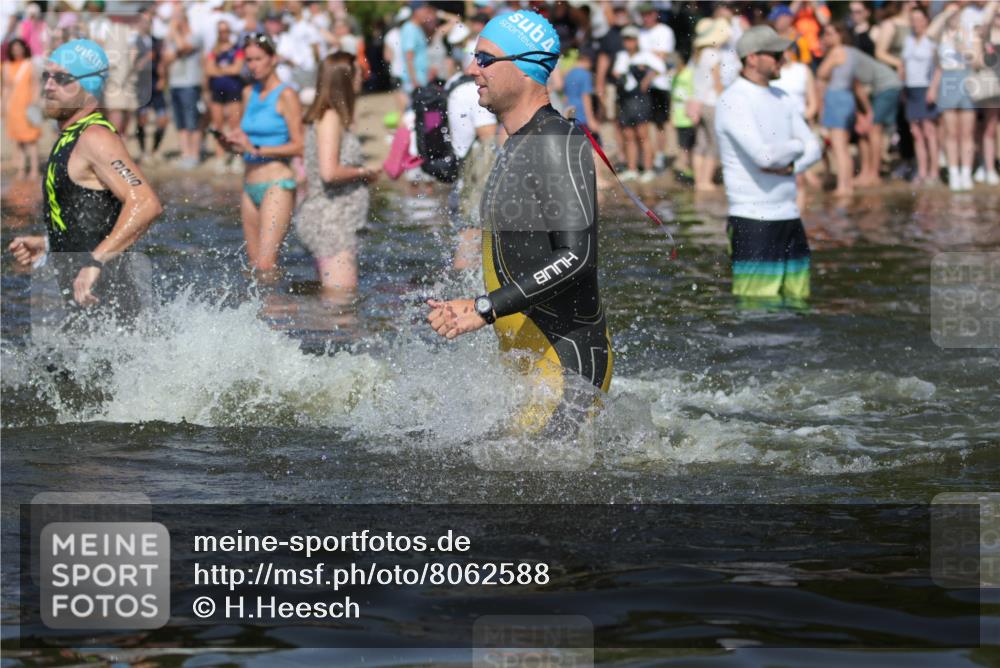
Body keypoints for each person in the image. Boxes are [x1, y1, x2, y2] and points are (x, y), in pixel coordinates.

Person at [426, 10, 612, 433]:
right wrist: (474, 305)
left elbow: (577, 257)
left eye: (486, 59)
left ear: (525, 66)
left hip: (567, 369)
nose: (473, 69)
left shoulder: (552, 140)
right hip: (532, 366)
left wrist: (486, 308)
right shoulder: (517, 144)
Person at [8, 39, 162, 316]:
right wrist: (48, 244)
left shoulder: (96, 138)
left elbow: (146, 203)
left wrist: (96, 261)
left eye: (63, 78)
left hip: (112, 311)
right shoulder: (70, 136)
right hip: (90, 312)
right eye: (47, 76)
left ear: (90, 86)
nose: (48, 86)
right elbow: (89, 220)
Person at [716, 26, 821, 306]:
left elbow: (815, 147)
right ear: (752, 58)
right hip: (753, 219)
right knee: (757, 315)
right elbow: (764, 157)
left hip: (790, 216)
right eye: (775, 54)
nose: (782, 59)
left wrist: (791, 166)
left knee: (799, 307)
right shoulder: (732, 100)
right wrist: (796, 148)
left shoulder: (783, 97)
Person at [221, 32, 304, 277]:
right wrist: (233, 142)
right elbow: (248, 136)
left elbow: (299, 145)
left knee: (267, 265)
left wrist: (257, 150)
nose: (252, 65)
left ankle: (277, 313)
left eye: (258, 59)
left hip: (276, 183)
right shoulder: (249, 93)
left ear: (273, 59)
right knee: (253, 265)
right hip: (249, 185)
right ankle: (261, 315)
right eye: (248, 60)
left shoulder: (287, 94)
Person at [295, 53, 378, 295]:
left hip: (334, 220)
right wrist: (364, 171)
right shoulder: (330, 117)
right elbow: (329, 173)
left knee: (330, 301)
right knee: (341, 305)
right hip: (330, 223)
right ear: (345, 78)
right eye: (359, 72)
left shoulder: (334, 117)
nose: (362, 77)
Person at [444, 35, 500, 271]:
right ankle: (464, 292)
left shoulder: (454, 83)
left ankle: (461, 287)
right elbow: (488, 135)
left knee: (468, 229)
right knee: (473, 231)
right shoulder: (473, 90)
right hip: (476, 168)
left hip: (461, 164)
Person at [928, 2, 979, 191]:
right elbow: (929, 34)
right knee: (951, 132)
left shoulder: (970, 34)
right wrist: (943, 15)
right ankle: (954, 172)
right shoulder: (941, 36)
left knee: (966, 132)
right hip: (947, 81)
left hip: (966, 79)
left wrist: (962, 45)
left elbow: (976, 59)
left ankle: (966, 173)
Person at [817, 22, 867, 197]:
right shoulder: (852, 52)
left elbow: (821, 72)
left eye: (830, 33)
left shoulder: (836, 52)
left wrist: (824, 52)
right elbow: (856, 84)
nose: (826, 37)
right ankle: (847, 185)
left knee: (839, 147)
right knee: (843, 146)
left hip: (836, 99)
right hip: (847, 98)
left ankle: (843, 187)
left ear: (840, 35)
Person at [613, 25, 664, 182]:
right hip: (625, 99)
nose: (629, 42)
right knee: (628, 135)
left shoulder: (645, 55)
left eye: (632, 39)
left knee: (643, 135)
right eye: (626, 39)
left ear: (636, 41)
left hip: (640, 99)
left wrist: (646, 79)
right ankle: (632, 168)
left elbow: (660, 67)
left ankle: (648, 169)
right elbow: (616, 73)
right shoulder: (621, 56)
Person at [690, 17, 731, 192]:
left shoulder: (698, 55)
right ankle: (706, 181)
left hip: (698, 102)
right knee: (714, 143)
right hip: (712, 103)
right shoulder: (714, 54)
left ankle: (699, 181)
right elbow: (716, 81)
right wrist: (726, 100)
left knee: (701, 142)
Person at [901, 6, 941, 186]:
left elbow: (939, 67)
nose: (916, 23)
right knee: (916, 133)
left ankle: (934, 172)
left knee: (929, 131)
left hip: (925, 87)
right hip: (910, 88)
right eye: (913, 19)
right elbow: (903, 65)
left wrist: (933, 88)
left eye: (919, 19)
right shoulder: (908, 40)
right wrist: (902, 87)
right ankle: (922, 170)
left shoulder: (931, 41)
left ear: (926, 20)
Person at [637, 2, 676, 172]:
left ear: (655, 14)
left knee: (660, 122)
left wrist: (647, 73)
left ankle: (660, 155)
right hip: (642, 83)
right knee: (644, 122)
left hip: (659, 83)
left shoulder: (664, 31)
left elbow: (662, 57)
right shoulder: (640, 32)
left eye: (649, 13)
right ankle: (647, 157)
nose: (646, 17)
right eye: (643, 14)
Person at [163, 10, 204, 169]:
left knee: (192, 121)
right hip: (174, 84)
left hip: (190, 84)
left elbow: (182, 48)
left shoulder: (195, 37)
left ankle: (195, 155)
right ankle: (185, 154)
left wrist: (173, 32)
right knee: (180, 123)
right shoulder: (173, 40)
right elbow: (167, 58)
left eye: (175, 20)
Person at [205, 20, 245, 173]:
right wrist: (225, 69)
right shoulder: (213, 50)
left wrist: (219, 69)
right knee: (218, 126)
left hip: (233, 90)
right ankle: (220, 157)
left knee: (235, 124)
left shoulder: (236, 49)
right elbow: (209, 70)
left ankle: (237, 156)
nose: (224, 34)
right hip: (217, 92)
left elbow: (237, 69)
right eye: (221, 31)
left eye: (226, 31)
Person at [2, 38, 42, 181]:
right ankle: (21, 169)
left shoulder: (30, 64)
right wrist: (4, 105)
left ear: (24, 49)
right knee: (18, 140)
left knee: (31, 140)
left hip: (28, 106)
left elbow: (36, 85)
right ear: (11, 50)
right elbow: (6, 87)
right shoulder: (6, 66)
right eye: (14, 48)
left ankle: (34, 169)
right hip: (14, 106)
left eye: (19, 48)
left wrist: (35, 104)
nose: (17, 50)